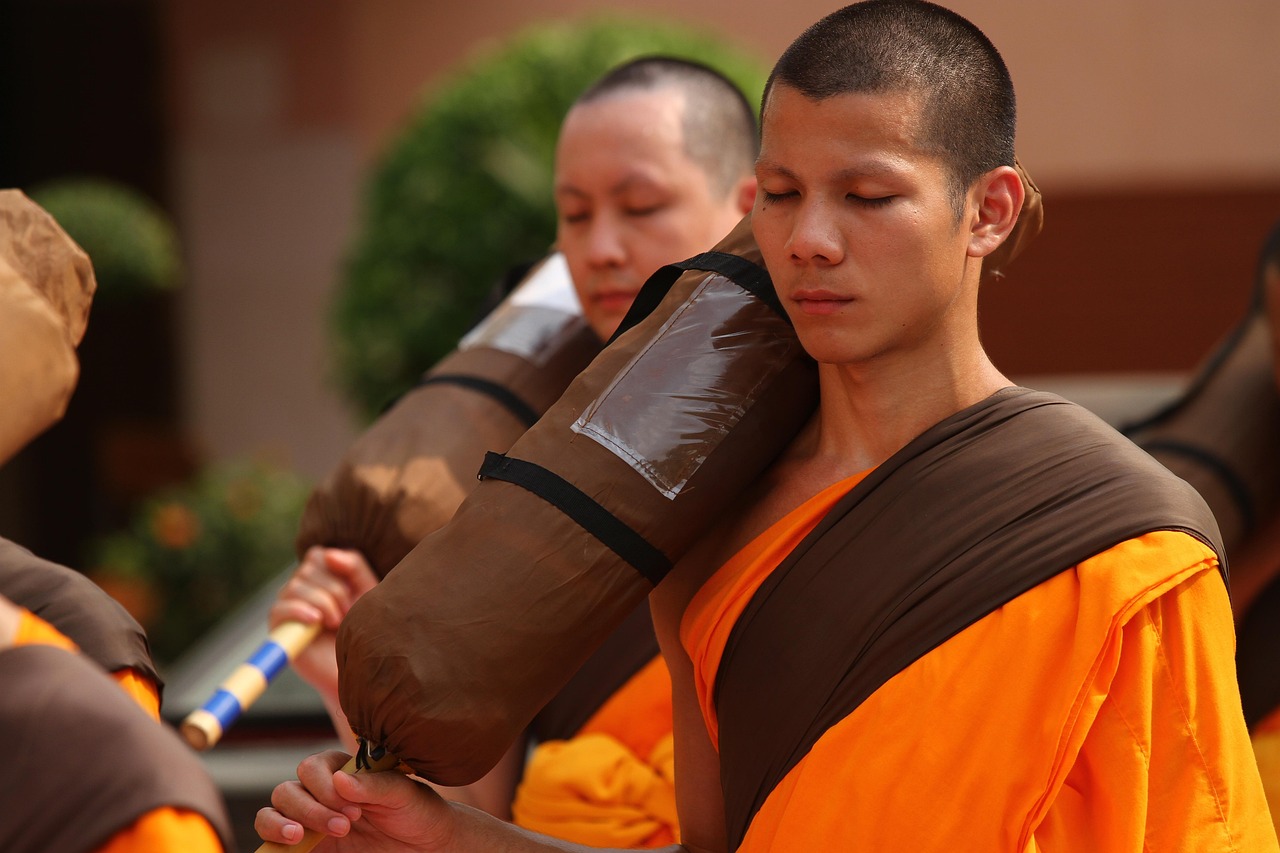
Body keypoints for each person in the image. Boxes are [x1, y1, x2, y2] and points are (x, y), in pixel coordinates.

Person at [256, 2, 1276, 849]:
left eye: (868, 196)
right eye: (780, 198)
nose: (810, 241)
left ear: (988, 211)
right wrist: (445, 837)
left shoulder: (1126, 546)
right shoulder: (712, 518)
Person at [269, 55, 758, 845]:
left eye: (640, 206)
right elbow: (475, 816)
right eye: (573, 214)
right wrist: (346, 676)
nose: (600, 246)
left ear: (746, 207)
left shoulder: (812, 443)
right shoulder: (535, 464)